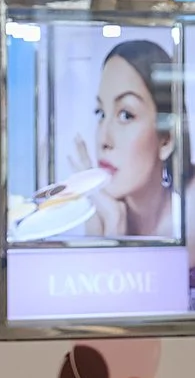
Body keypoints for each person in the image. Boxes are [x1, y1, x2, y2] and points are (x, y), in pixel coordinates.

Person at [75, 38, 186, 239]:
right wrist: (102, 233)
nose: (104, 140)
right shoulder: (100, 215)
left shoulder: (187, 225)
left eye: (126, 115)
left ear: (167, 139)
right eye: (101, 113)